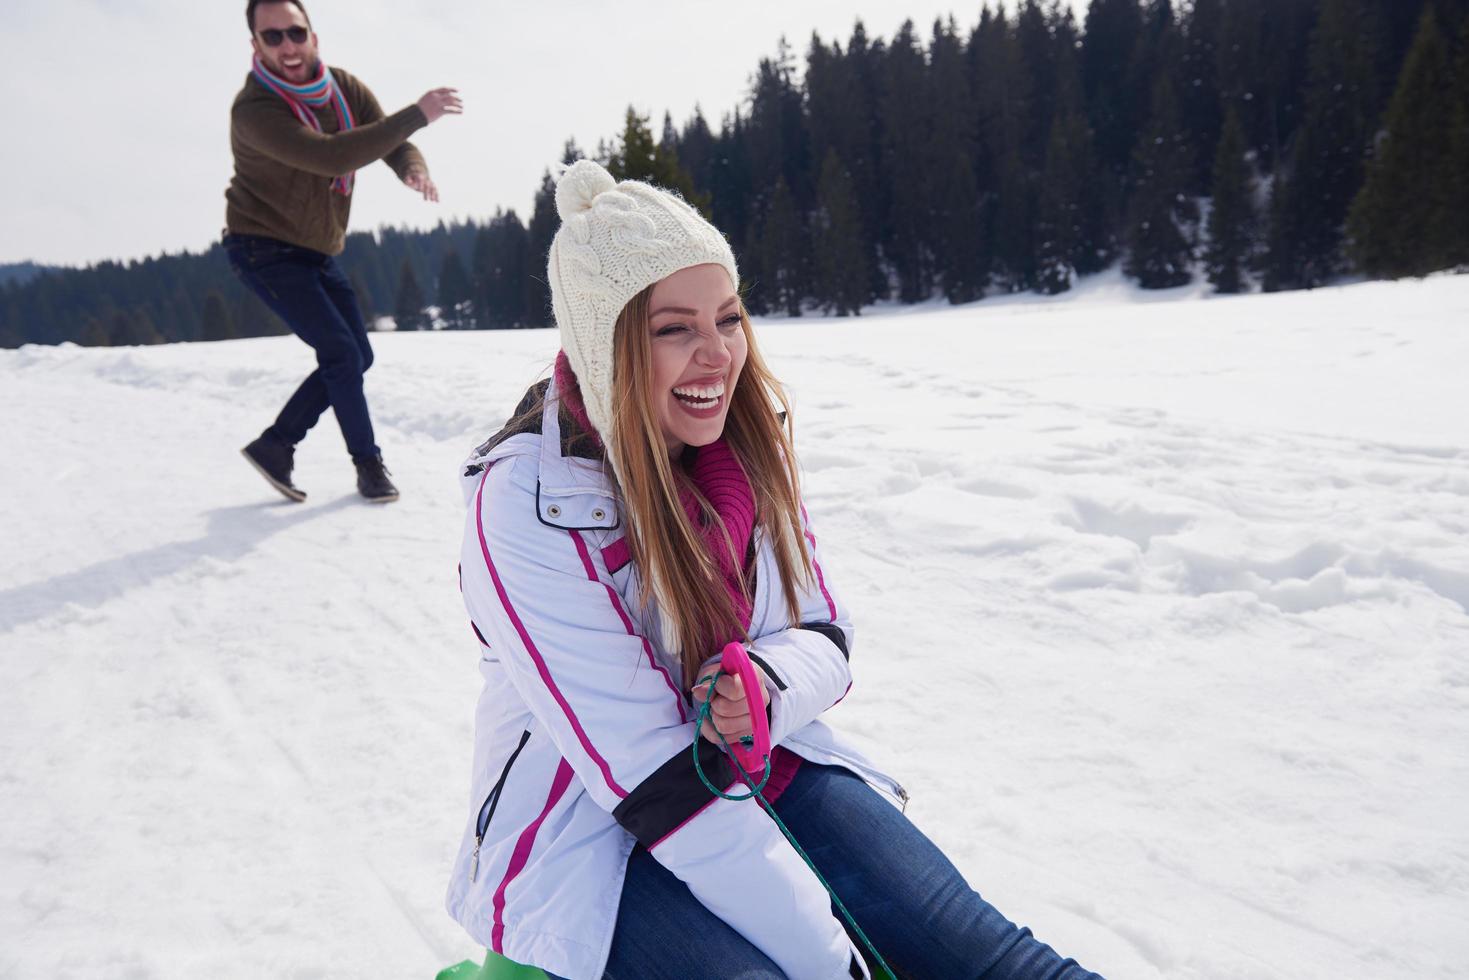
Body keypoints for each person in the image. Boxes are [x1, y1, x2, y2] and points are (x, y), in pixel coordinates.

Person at [445, 160, 1104, 980]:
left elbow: (823, 629)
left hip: (759, 763)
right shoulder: (526, 501)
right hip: (589, 827)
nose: (717, 355)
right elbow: (648, 772)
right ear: (603, 344)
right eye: (673, 328)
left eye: (728, 317)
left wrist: (765, 684)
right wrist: (831, 961)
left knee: (982, 953)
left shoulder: (742, 451)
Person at [224, 0, 461, 503]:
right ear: (256, 46)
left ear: (313, 35)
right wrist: (420, 114)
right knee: (341, 352)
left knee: (357, 355)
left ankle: (276, 444)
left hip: (316, 249)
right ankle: (368, 466)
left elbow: (387, 140)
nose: (287, 45)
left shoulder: (343, 89)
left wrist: (411, 168)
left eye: (294, 32)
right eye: (273, 37)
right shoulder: (255, 111)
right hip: (262, 248)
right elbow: (333, 155)